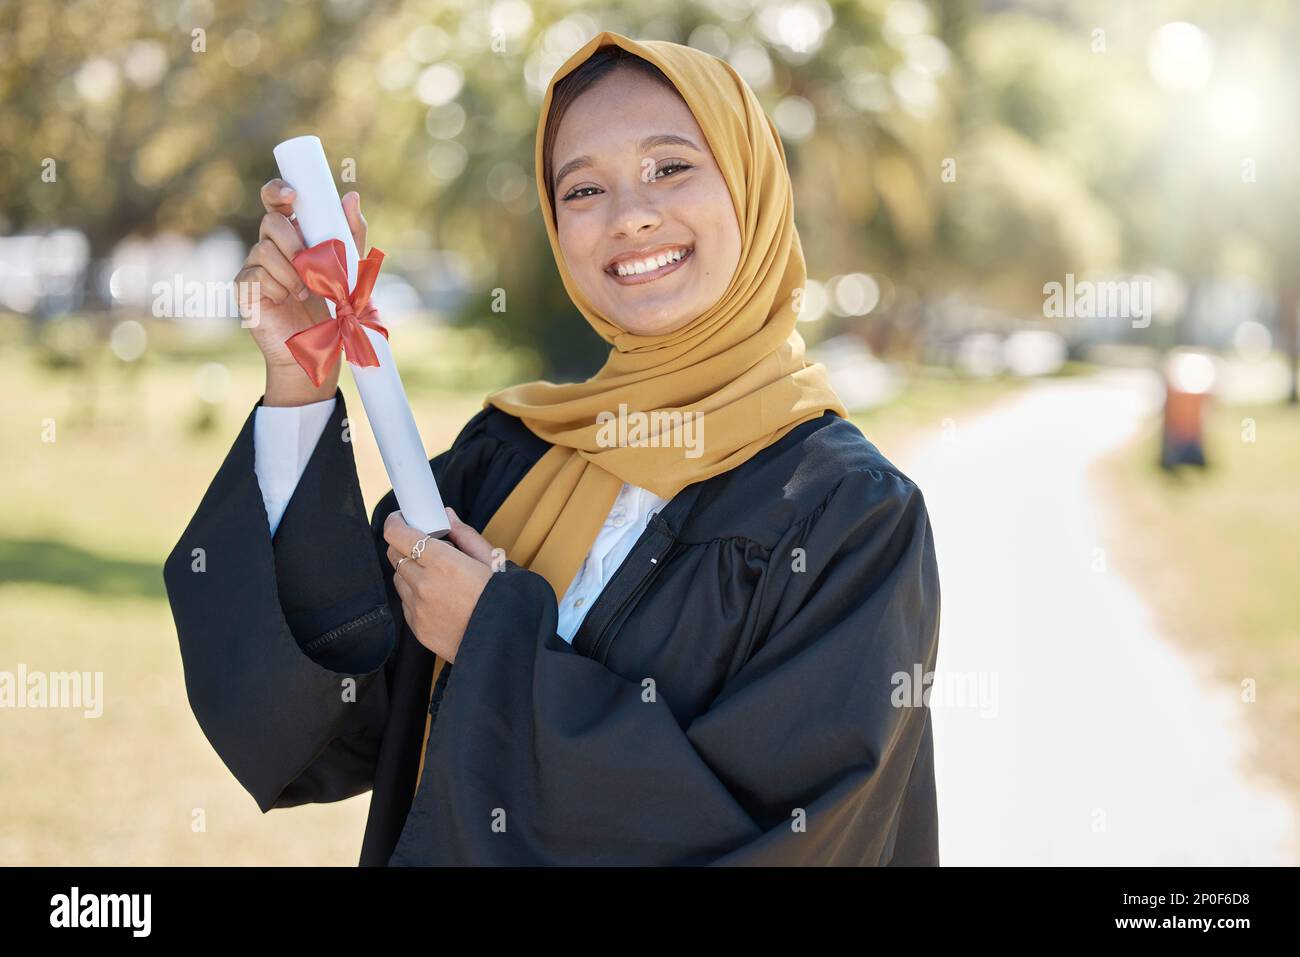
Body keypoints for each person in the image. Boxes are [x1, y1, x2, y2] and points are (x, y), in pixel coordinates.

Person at [163, 31, 942, 866]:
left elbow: (794, 840)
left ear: (751, 187)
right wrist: (299, 380)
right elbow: (330, 727)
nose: (630, 214)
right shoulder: (508, 456)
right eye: (583, 188)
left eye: (671, 167)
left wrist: (496, 641)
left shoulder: (850, 518)